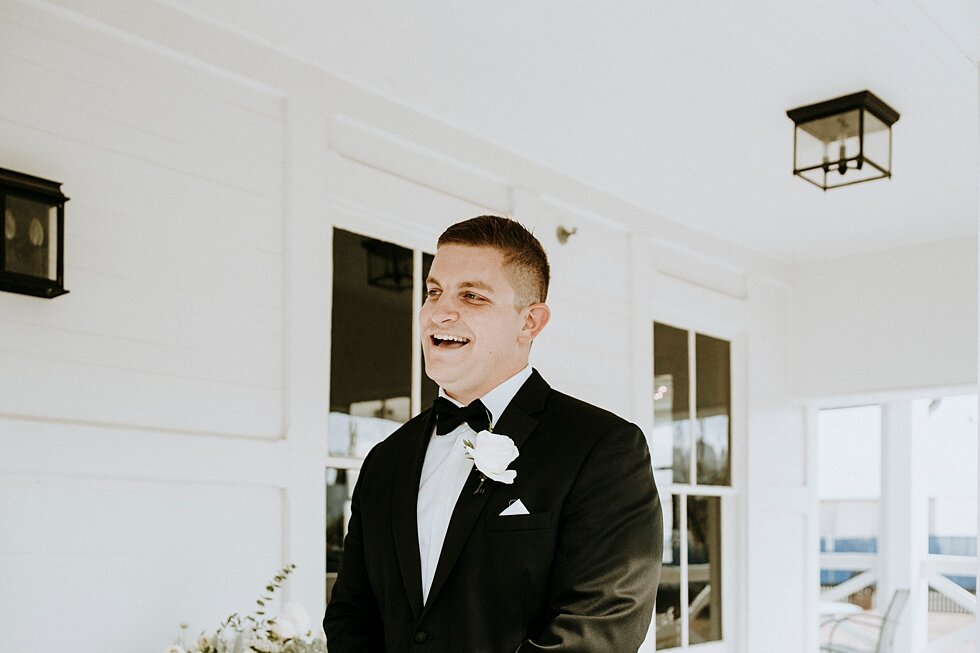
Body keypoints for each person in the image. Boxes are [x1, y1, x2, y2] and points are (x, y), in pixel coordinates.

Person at [324, 215, 663, 652]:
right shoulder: (386, 459)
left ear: (530, 322)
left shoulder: (604, 448)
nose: (440, 311)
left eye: (472, 296)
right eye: (433, 292)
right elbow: (352, 613)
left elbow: (598, 627)